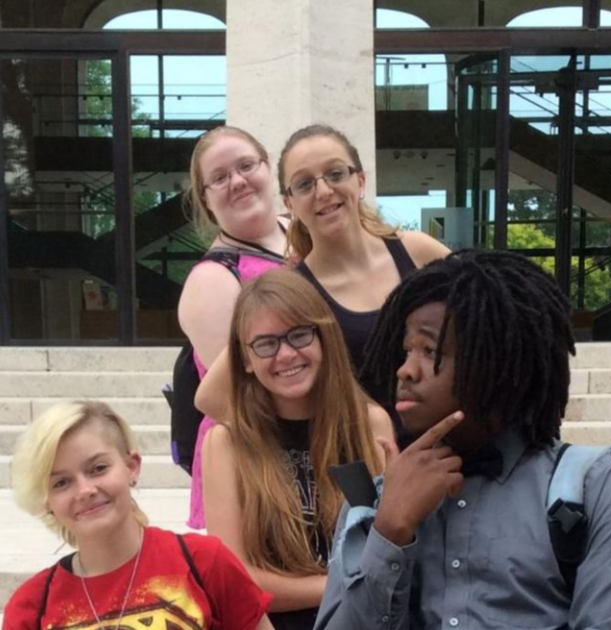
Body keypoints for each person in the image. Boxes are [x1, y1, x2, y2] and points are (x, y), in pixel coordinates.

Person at [315, 249, 611, 630]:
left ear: (496, 360)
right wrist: (390, 533)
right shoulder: (374, 503)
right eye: (406, 350)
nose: (405, 370)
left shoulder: (597, 491)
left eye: (430, 350)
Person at [197, 269, 391, 630]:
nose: (286, 354)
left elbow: (389, 551)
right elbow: (236, 579)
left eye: (299, 335)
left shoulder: (370, 425)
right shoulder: (226, 444)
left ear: (324, 338)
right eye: (266, 344)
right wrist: (347, 583)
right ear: (246, 361)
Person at [3, 400, 275, 630]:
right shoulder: (32, 605)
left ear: (131, 467)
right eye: (61, 483)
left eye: (98, 468)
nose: (85, 490)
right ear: (47, 501)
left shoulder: (204, 562)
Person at [277, 124, 449, 399]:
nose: (323, 191)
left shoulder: (418, 251)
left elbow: (489, 319)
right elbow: (214, 396)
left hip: (459, 437)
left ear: (360, 181)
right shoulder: (294, 293)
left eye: (335, 174)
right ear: (289, 203)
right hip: (374, 443)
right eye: (304, 184)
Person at [178, 124, 290, 529]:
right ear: (206, 200)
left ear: (268, 167)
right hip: (256, 463)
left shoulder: (307, 233)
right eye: (220, 178)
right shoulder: (211, 280)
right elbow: (243, 394)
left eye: (246, 165)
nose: (238, 182)